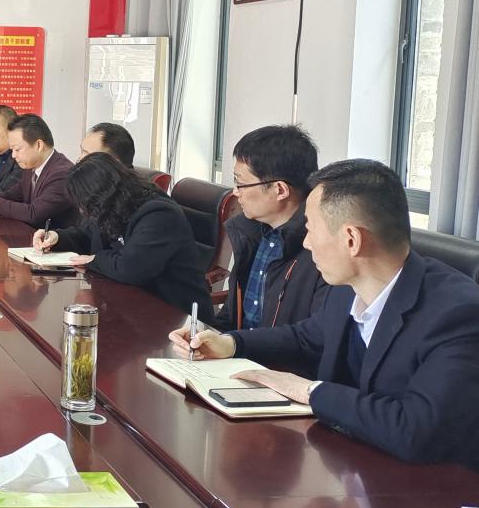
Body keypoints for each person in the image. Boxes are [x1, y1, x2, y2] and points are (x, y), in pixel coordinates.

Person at [170, 159, 479, 470]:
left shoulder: (458, 313)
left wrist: (309, 391)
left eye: (310, 229)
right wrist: (230, 343)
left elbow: (415, 429)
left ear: (351, 240)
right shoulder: (348, 286)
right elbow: (307, 337)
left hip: (426, 488)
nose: (306, 243)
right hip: (351, 463)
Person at [35, 152, 213, 322]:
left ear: (102, 196)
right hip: (132, 308)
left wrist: (95, 260)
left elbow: (131, 268)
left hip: (177, 318)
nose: (82, 211)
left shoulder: (159, 214)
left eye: (85, 204)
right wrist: (57, 237)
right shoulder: (114, 207)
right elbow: (86, 235)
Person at [213, 125, 328, 332]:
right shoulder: (252, 233)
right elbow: (232, 316)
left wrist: (233, 343)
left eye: (240, 183)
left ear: (280, 190)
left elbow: (312, 337)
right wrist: (206, 337)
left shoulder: (320, 251)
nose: (236, 192)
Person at [0, 113, 78, 230]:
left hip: (54, 241)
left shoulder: (62, 173)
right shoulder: (30, 166)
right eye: (12, 150)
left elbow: (34, 214)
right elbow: (12, 195)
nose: (13, 155)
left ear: (38, 145)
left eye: (17, 149)